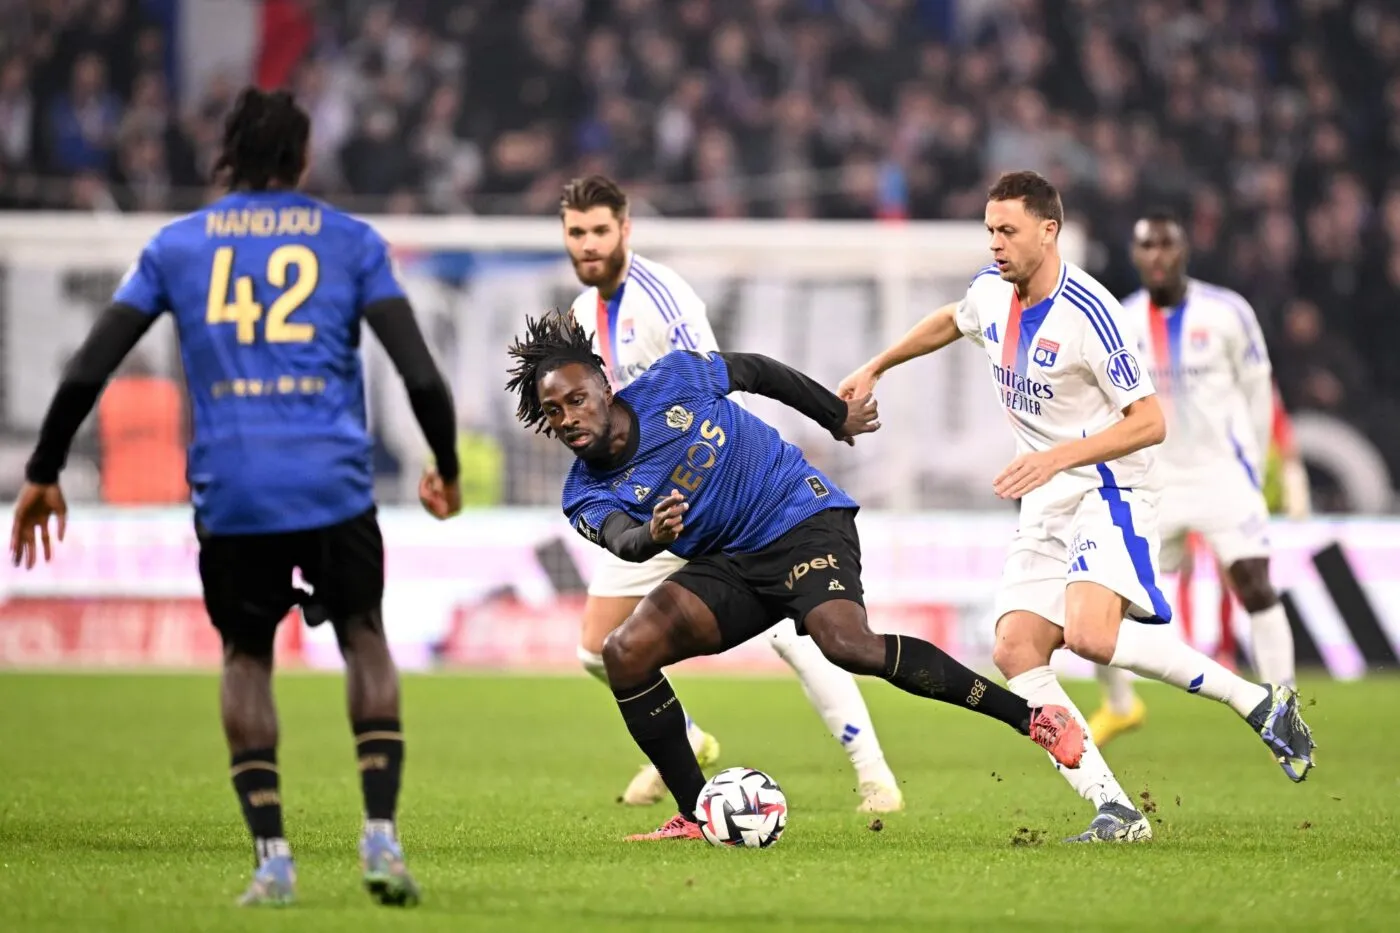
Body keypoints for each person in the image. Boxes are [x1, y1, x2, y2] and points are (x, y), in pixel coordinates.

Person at [9, 88, 462, 906]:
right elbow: (419, 371)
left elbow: (89, 365)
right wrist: (447, 462)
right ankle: (382, 841)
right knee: (364, 637)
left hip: (234, 490)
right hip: (332, 481)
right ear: (303, 158)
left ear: (227, 157)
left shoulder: (177, 246)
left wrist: (43, 468)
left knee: (246, 658)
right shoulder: (350, 241)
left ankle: (273, 858)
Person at [838, 171, 1315, 844]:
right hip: (1046, 492)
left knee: (1090, 634)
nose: (996, 244)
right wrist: (877, 365)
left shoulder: (1091, 313)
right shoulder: (992, 293)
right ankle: (1115, 808)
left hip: (1108, 483)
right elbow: (952, 317)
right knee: (1016, 647)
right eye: (990, 231)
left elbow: (1150, 421)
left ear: (1048, 231)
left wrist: (1060, 456)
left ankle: (1258, 701)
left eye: (1008, 231)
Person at [497, 311, 1086, 842]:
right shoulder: (584, 492)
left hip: (802, 515)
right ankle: (695, 814)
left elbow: (756, 371)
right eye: (554, 411)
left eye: (577, 399)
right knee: (623, 652)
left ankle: (1032, 719)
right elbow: (622, 540)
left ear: (604, 386)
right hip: (731, 562)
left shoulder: (673, 380)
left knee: (846, 644)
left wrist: (835, 416)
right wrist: (651, 536)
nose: (570, 417)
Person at [560, 173, 902, 813]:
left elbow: (712, 389)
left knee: (795, 632)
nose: (588, 244)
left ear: (624, 230)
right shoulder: (581, 313)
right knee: (594, 650)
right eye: (577, 233)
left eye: (600, 230)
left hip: (711, 493)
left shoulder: (664, 297)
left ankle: (874, 774)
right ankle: (687, 741)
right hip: (648, 506)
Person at [1088, 212, 1300, 746]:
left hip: (1220, 475)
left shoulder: (1229, 312)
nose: (1157, 255)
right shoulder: (1121, 319)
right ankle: (1119, 705)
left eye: (1166, 244)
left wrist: (1254, 463)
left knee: (1253, 581)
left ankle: (1285, 706)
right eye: (1146, 246)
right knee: (1102, 595)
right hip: (1154, 480)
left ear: (1184, 250)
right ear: (1136, 255)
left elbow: (1258, 390)